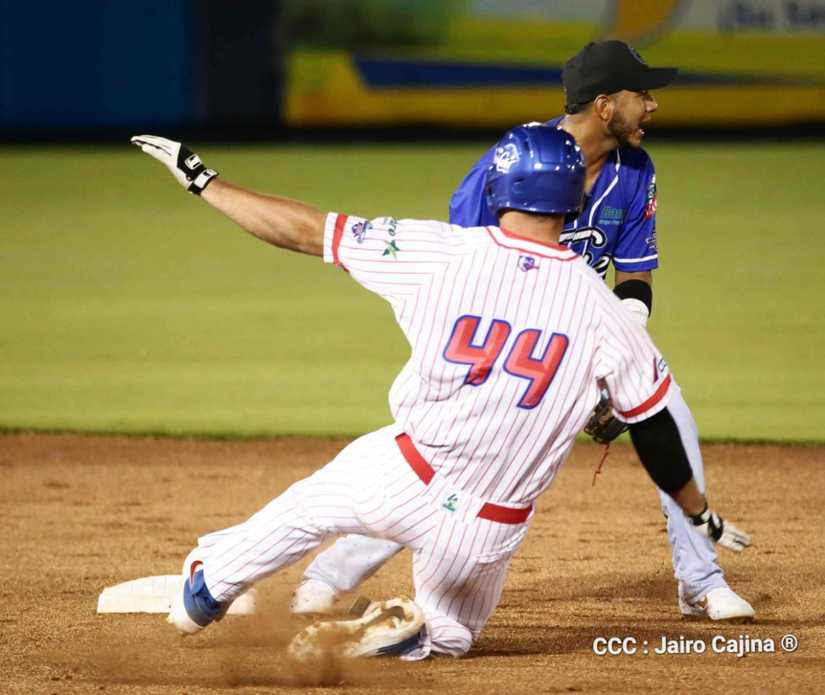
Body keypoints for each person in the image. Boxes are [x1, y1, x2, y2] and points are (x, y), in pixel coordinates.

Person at [131, 124, 751, 659]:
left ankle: (208, 588)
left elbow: (302, 230)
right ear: (575, 197)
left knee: (306, 508)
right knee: (450, 636)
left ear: (500, 188)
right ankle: (411, 639)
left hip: (399, 476)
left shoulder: (439, 250)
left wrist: (204, 179)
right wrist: (698, 512)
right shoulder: (607, 314)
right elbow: (657, 429)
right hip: (485, 530)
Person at [294, 40, 756, 622]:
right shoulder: (517, 159)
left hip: (586, 334)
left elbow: (634, 276)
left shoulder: (636, 170)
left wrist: (616, 365)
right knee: (453, 459)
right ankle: (329, 576)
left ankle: (701, 580)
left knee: (670, 415)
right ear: (606, 104)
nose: (654, 106)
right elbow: (467, 262)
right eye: (644, 94)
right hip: (500, 336)